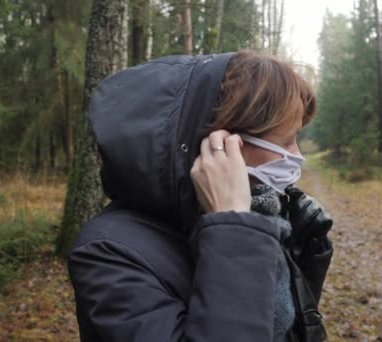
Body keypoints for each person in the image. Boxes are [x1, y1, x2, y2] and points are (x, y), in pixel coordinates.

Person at [68, 51, 334, 342]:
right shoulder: (108, 253)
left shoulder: (267, 214)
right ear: (218, 144)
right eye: (285, 142)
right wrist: (232, 225)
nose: (297, 155)